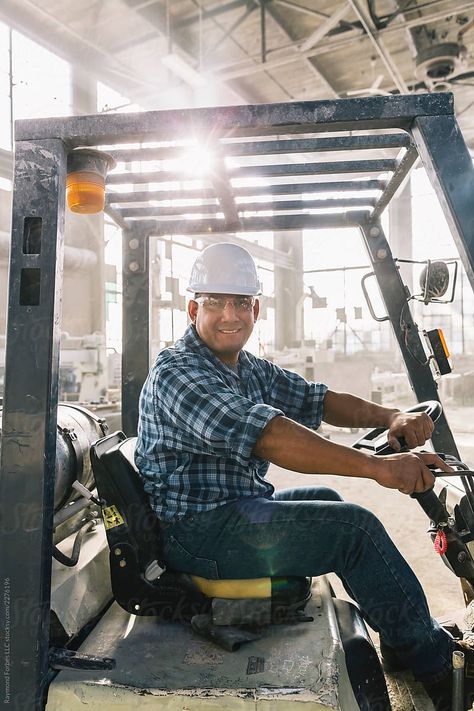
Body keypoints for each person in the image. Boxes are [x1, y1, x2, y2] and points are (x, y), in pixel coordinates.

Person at [135, 242, 472, 710]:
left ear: (256, 309)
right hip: (197, 532)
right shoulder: (181, 374)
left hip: (232, 511)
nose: (229, 315)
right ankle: (440, 670)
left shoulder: (244, 367)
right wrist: (378, 469)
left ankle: (401, 639)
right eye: (215, 302)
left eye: (240, 303)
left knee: (333, 501)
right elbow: (271, 437)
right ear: (194, 309)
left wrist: (393, 415)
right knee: (353, 530)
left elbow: (318, 400)